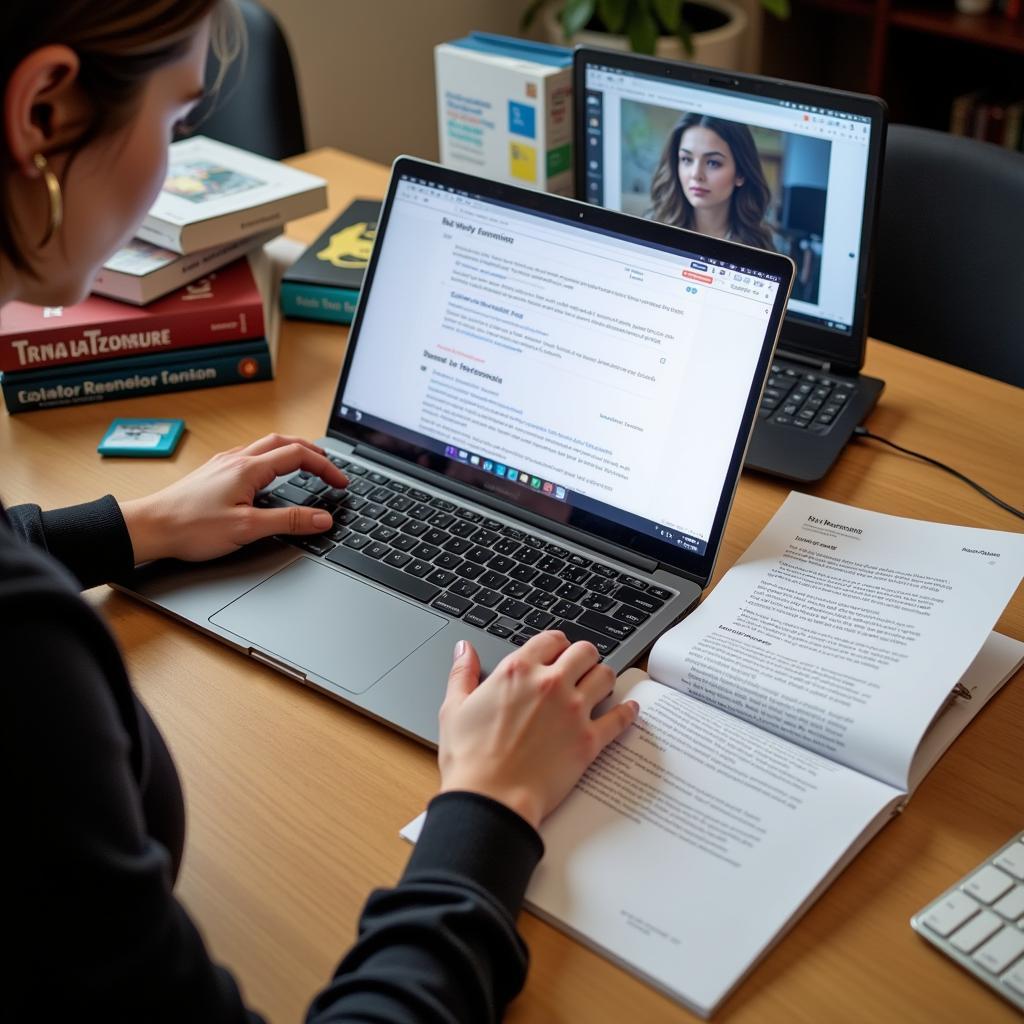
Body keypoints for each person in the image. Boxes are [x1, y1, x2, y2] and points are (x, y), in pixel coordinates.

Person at [0, 2, 640, 1020]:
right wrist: (486, 808)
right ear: (42, 110)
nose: (172, 165)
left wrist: (132, 529)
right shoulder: (23, 662)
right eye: (176, 120)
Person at [648, 112, 774, 250]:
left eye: (713, 163)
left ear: (740, 174)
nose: (696, 174)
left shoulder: (759, 248)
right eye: (686, 159)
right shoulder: (652, 228)